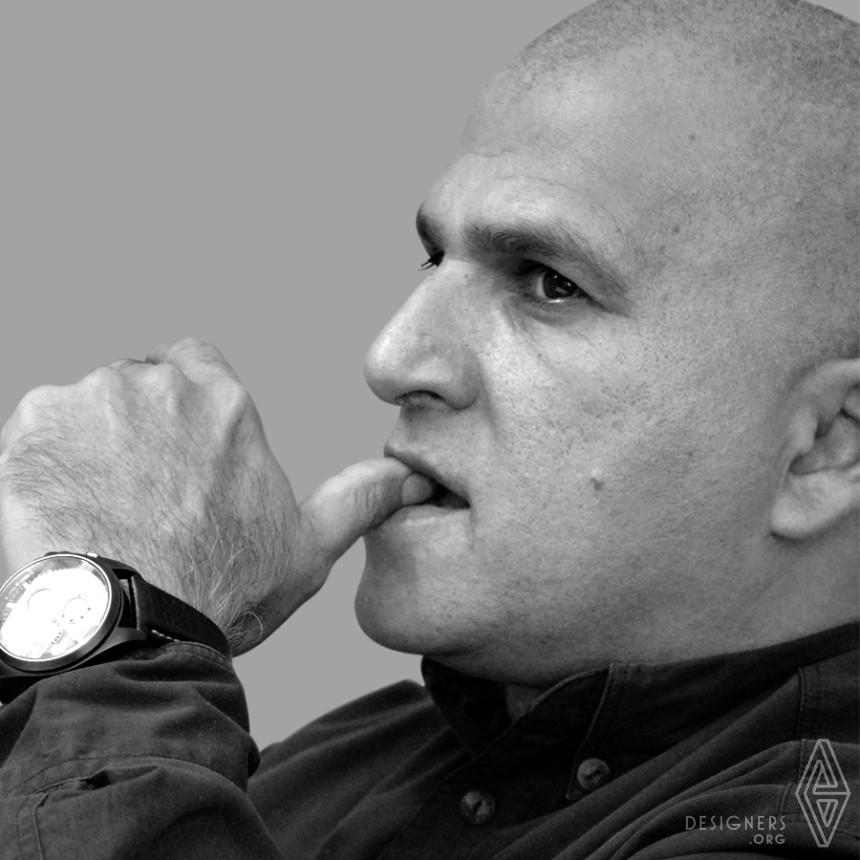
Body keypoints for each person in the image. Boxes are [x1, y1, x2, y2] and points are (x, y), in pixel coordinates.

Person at [0, 0, 857, 856]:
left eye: (551, 282)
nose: (393, 357)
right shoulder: (349, 758)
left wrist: (110, 639)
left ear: (824, 447)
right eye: (435, 257)